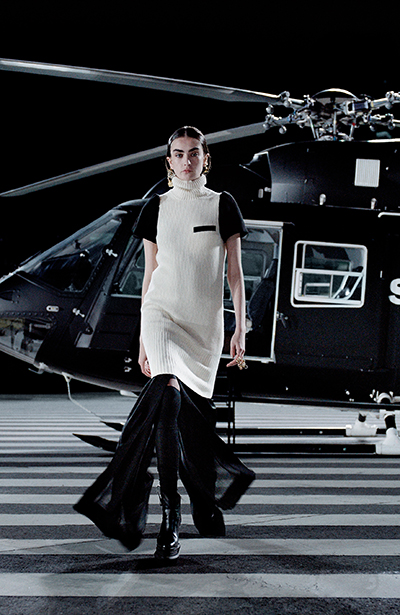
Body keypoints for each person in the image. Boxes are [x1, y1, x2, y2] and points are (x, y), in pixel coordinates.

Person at [73, 126, 255, 560]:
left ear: (205, 158)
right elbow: (150, 275)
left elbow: (234, 273)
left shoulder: (222, 204)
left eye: (194, 153)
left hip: (203, 326)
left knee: (191, 420)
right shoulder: (154, 207)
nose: (186, 161)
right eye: (178, 153)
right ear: (168, 161)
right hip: (161, 317)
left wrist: (240, 326)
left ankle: (201, 499)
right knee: (168, 393)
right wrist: (143, 337)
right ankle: (169, 515)